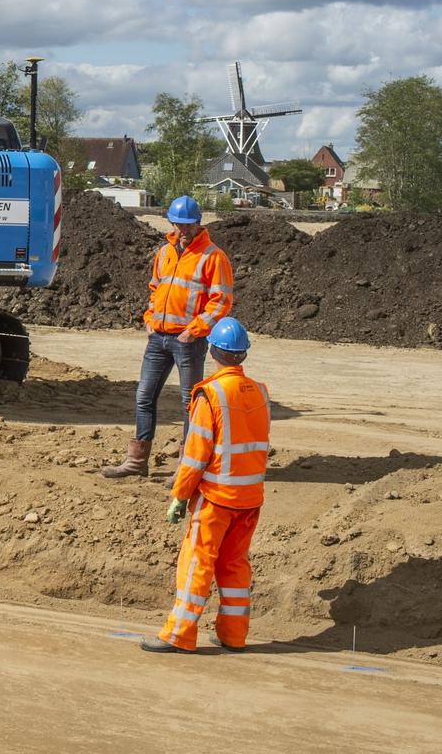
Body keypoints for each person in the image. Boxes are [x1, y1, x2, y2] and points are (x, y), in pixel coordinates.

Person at [143, 317, 270, 653]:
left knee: (197, 563)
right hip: (250, 499)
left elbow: (195, 455)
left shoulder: (210, 394)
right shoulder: (260, 391)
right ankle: (234, 635)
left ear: (212, 350)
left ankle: (179, 634)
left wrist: (180, 495)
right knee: (235, 565)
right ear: (243, 354)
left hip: (216, 499)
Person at [101, 194, 234, 479]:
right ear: (171, 222)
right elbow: (155, 288)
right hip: (158, 338)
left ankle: (187, 467)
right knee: (144, 396)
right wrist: (149, 318)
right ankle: (137, 461)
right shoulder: (165, 252)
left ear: (199, 223)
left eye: (188, 224)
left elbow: (221, 301)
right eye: (177, 224)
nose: (182, 229)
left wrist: (193, 331)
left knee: (190, 404)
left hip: (188, 342)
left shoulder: (213, 256)